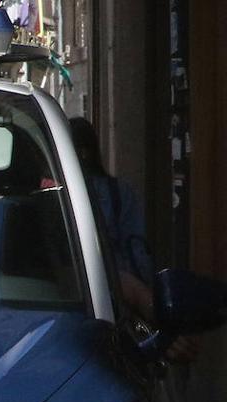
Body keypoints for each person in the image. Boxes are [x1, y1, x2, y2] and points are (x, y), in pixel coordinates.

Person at [69, 117, 197, 362]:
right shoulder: (119, 192)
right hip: (122, 300)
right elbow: (136, 246)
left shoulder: (72, 195)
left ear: (82, 152)